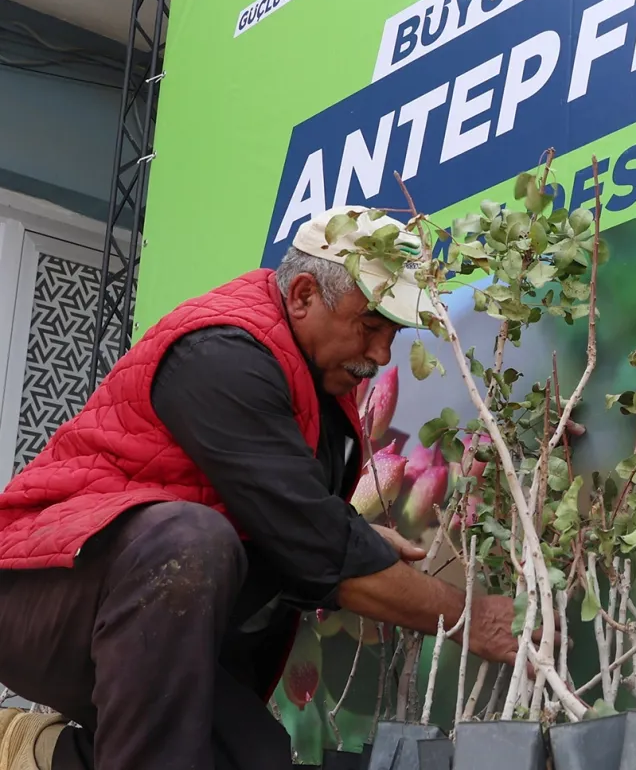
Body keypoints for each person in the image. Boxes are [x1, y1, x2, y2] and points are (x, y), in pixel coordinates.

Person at [0, 207, 518, 770]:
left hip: (143, 606)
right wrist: (471, 616)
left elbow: (296, 523)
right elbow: (314, 545)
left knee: (251, 759)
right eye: (369, 328)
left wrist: (354, 540)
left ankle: (36, 750)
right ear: (302, 295)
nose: (380, 354)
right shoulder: (221, 354)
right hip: (42, 591)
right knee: (189, 539)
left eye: (391, 335)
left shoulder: (313, 381)